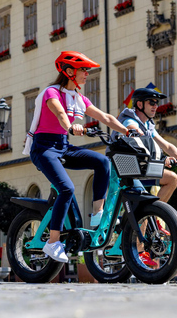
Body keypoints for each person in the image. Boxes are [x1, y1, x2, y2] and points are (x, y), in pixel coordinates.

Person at [25, 50, 134, 264]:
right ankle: (53, 242)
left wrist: (127, 131)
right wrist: (70, 127)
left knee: (102, 161)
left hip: (63, 147)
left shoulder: (79, 98)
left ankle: (97, 212)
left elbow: (105, 117)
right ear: (68, 72)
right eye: (83, 69)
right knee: (66, 188)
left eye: (87, 70)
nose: (87, 73)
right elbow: (60, 114)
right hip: (44, 148)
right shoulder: (51, 93)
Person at [110, 87, 177, 202]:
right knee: (142, 201)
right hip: (123, 171)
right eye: (151, 102)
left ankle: (153, 214)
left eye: (156, 103)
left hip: (140, 168)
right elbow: (134, 132)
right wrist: (163, 158)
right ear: (140, 104)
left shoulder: (148, 125)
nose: (155, 106)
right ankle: (147, 215)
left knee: (172, 179)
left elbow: (167, 146)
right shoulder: (130, 120)